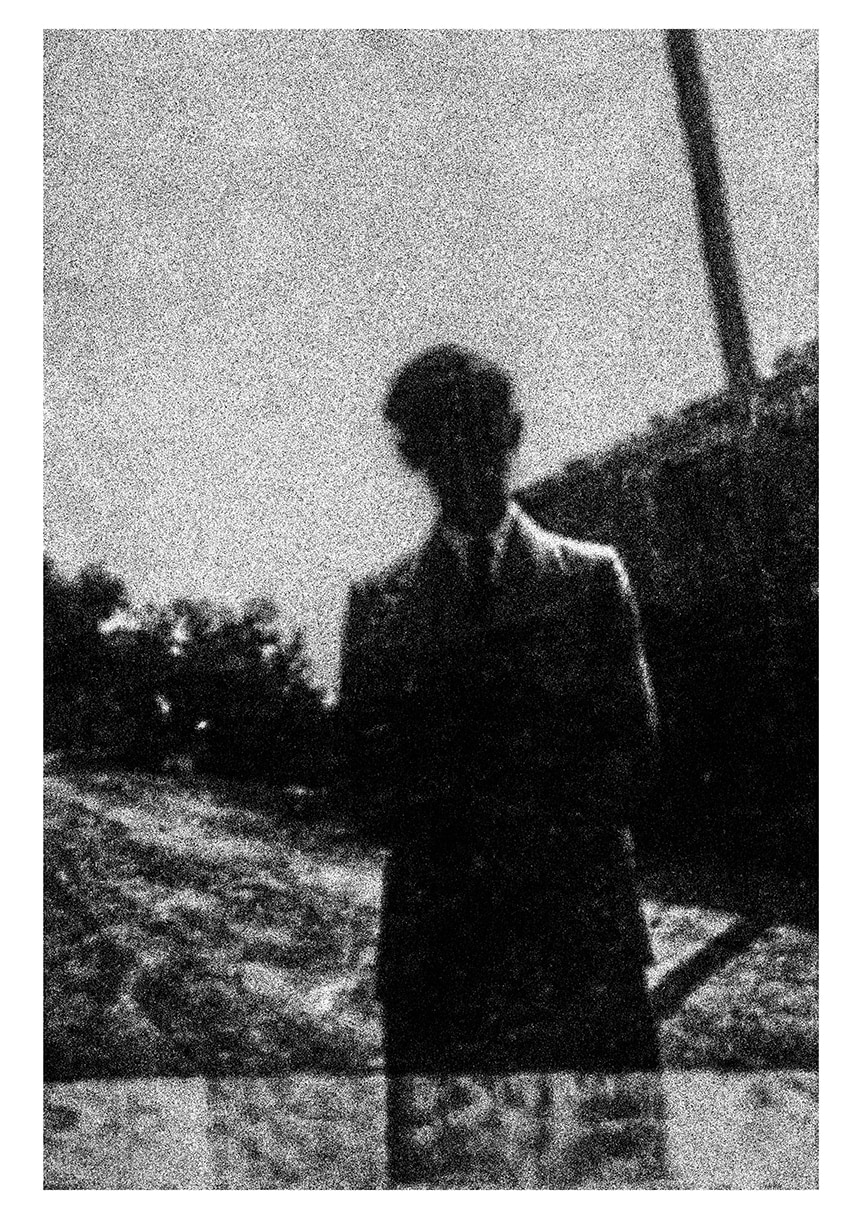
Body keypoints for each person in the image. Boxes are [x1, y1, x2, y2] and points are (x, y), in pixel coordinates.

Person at [337, 344, 661, 1179]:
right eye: (438, 439)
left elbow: (632, 753)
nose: (465, 457)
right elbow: (367, 786)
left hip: (579, 943)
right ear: (411, 454)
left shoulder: (591, 580)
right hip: (444, 955)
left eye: (480, 432)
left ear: (512, 432)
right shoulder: (379, 607)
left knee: (609, 1175)